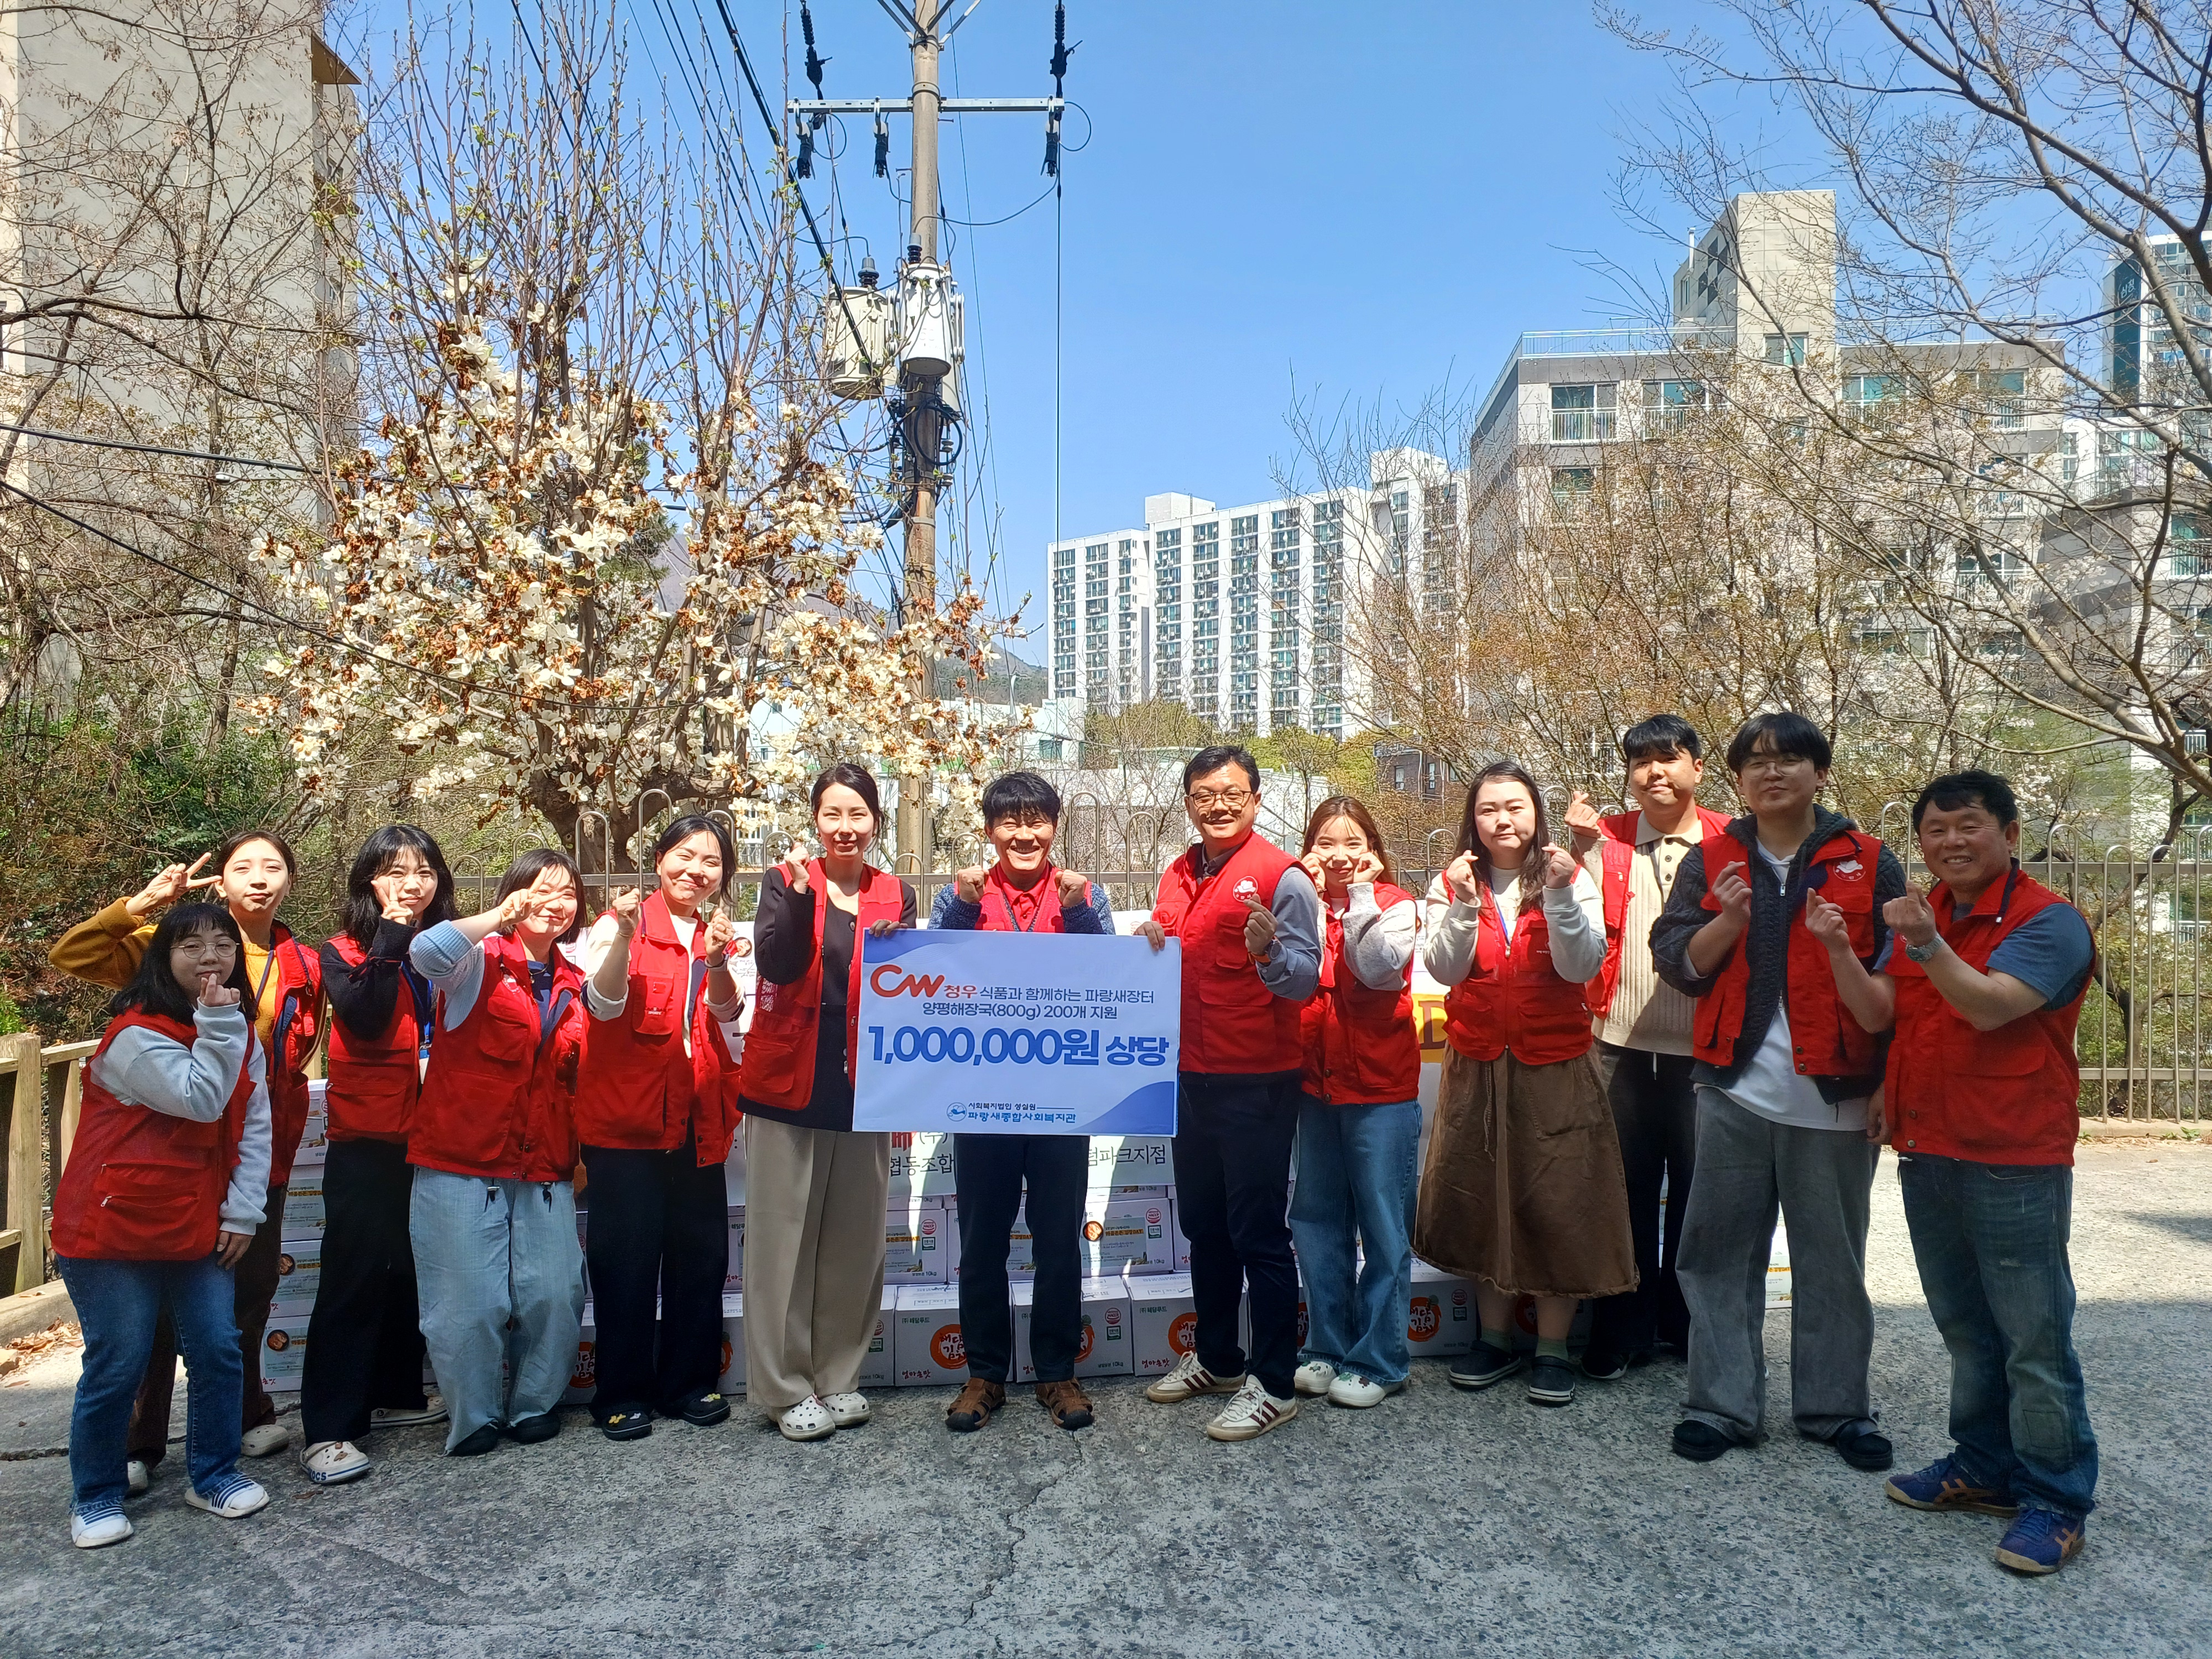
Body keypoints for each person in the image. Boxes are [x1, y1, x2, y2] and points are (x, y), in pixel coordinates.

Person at [1809, 770, 2099, 1575]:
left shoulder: (2048, 921)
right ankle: (1984, 1468)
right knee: (1967, 1330)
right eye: (1934, 831)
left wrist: (1926, 944)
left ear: (2010, 833)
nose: (1950, 842)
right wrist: (1837, 948)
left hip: (2014, 1154)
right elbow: (1884, 1014)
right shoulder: (1925, 912)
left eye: (1968, 826)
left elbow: (1988, 1005)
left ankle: (2056, 1500)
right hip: (1929, 1145)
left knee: (2033, 1338)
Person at [1651, 711, 1907, 1471]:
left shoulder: (1869, 859)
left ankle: (1837, 1410)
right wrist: (1728, 919)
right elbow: (1677, 961)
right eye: (1756, 761)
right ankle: (1721, 1406)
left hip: (1837, 1094)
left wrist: (1889, 1083)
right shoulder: (1711, 858)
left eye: (1789, 758)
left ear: (1819, 773)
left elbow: (1904, 982)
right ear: (1736, 780)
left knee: (1833, 1262)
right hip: (1732, 1089)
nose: (1772, 771)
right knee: (1716, 1256)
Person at [48, 830, 321, 1484]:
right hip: (170, 1152)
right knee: (153, 1316)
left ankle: (245, 1415)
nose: (260, 879)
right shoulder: (168, 944)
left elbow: (290, 1056)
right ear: (221, 880)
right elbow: (72, 954)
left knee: (246, 1294)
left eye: (274, 867)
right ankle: (140, 1441)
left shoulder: (301, 962)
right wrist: (141, 905)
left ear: (291, 879)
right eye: (244, 867)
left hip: (256, 1148)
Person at [50, 904, 274, 1547]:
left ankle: (213, 1474)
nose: (210, 957)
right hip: (110, 1230)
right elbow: (201, 1099)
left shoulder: (235, 1029)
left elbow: (253, 1124)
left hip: (195, 1222)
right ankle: (96, 1495)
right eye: (190, 945)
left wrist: (243, 1212)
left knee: (217, 1348)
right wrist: (222, 1022)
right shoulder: (135, 1035)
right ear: (162, 957)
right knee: (118, 1361)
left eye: (223, 944)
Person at [1416, 759, 1634, 1409]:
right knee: (1483, 1197)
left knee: (1558, 1202)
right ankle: (1493, 1339)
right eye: (1488, 809)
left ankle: (1552, 1349)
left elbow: (1581, 965)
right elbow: (1443, 968)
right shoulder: (1453, 881)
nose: (1501, 820)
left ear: (1535, 812)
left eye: (1514, 806)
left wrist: (1562, 894)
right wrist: (1462, 903)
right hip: (1478, 1063)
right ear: (1472, 819)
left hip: (1556, 1065)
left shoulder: (1569, 875)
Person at [1135, 744, 1321, 1443]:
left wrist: (1268, 952)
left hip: (1256, 1083)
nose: (1218, 806)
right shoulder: (1177, 872)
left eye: (1232, 794)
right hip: (1188, 1077)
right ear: (1188, 803)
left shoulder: (1282, 876)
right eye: (1204, 795)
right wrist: (1149, 939)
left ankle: (1274, 1384)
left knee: (1258, 1235)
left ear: (1256, 800)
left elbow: (1305, 980)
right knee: (1204, 1228)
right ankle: (1216, 1358)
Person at [929, 770, 1113, 1434]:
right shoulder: (963, 894)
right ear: (989, 831)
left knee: (1058, 1239)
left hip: (1063, 1102)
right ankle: (985, 1374)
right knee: (982, 1242)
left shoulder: (1084, 894)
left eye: (1037, 821)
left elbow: (1111, 981)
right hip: (981, 1101)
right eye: (1010, 822)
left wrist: (1081, 913)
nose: (1024, 834)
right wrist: (958, 909)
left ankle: (1056, 1373)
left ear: (1054, 828)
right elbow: (932, 975)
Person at [738, 765, 917, 1442]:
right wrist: (799, 899)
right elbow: (778, 965)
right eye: (832, 814)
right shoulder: (785, 881)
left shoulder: (895, 892)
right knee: (782, 1243)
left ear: (876, 821)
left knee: (854, 1242)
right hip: (789, 1083)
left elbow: (911, 989)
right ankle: (783, 1388)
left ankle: (837, 1376)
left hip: (864, 1087)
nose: (845, 828)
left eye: (858, 814)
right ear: (815, 819)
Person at [1562, 715, 1734, 1380]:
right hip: (1619, 1045)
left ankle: (1689, 1328)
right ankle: (1621, 1331)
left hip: (1704, 1048)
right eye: (1641, 763)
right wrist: (1580, 850)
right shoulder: (1604, 837)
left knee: (1700, 1196)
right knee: (1621, 1193)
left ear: (1697, 768)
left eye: (1669, 758)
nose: (1654, 772)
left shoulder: (1730, 841)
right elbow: (1578, 924)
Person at [407, 850, 592, 1456]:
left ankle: (534, 1404)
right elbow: (425, 951)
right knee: (467, 1303)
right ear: (514, 893)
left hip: (545, 1165)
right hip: (462, 1161)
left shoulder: (573, 982)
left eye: (567, 893)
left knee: (554, 1294)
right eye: (540, 889)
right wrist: (498, 917)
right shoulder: (476, 962)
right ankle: (475, 1417)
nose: (554, 903)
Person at [575, 816, 747, 1443]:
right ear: (658, 859)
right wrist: (623, 937)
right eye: (684, 855)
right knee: (626, 1263)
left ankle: (689, 1383)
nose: (695, 871)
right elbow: (603, 1004)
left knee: (699, 1260)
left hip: (698, 1120)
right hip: (627, 1128)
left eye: (711, 862)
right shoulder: (616, 926)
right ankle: (620, 1394)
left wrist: (718, 961)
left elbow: (728, 1014)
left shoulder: (716, 935)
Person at [301, 825, 456, 1485]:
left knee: (411, 1269)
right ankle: (329, 1429)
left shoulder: (449, 949)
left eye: (423, 872)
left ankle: (395, 1393)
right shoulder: (342, 951)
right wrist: (392, 936)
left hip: (437, 1134)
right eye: (396, 872)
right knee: (354, 1276)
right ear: (370, 881)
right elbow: (364, 1017)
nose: (412, 885)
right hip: (367, 1140)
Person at [1286, 796, 1422, 1411]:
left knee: (1384, 1230)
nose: (1339, 855)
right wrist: (1308, 898)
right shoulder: (1301, 903)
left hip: (1380, 1091)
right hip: (1315, 1086)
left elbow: (1373, 971)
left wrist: (1361, 898)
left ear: (1373, 849)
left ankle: (1381, 1360)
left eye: (1352, 842)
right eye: (1325, 842)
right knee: (1316, 1223)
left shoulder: (1396, 904)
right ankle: (1325, 1347)